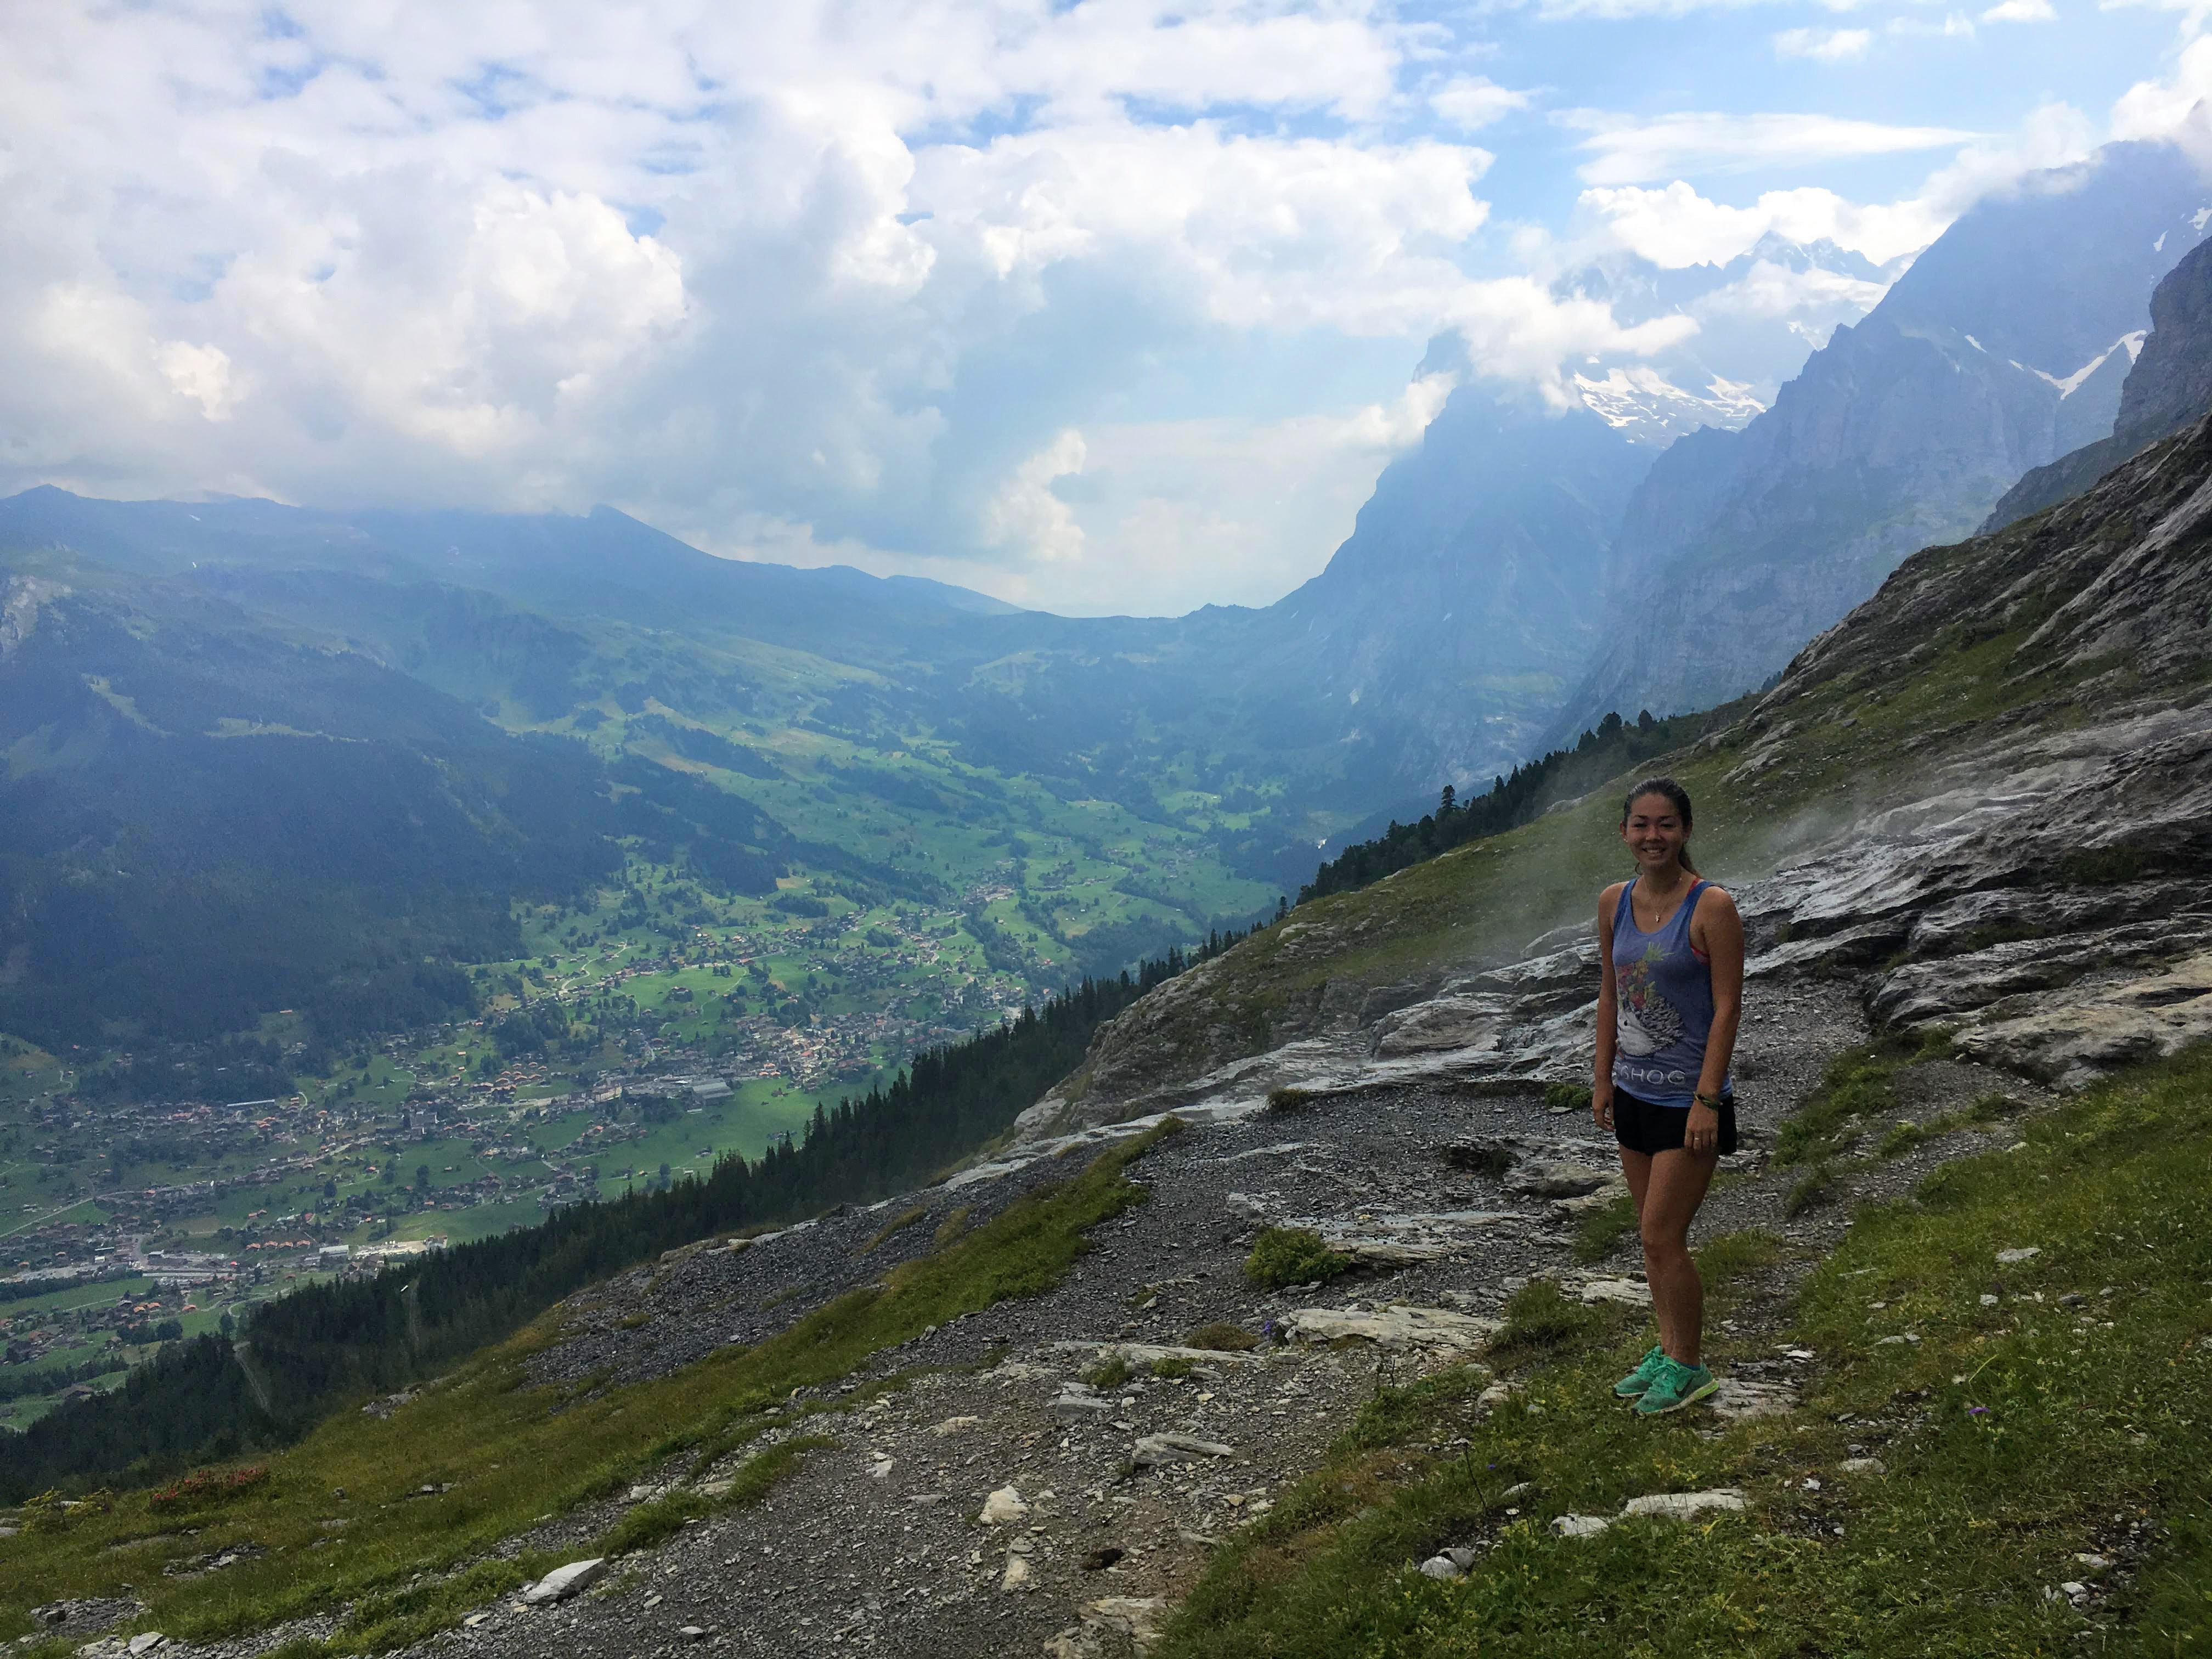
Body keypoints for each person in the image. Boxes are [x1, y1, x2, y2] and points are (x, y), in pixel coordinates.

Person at [1592, 777, 1744, 1415]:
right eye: (1641, 825)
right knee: (1649, 1237)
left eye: (1665, 825)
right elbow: (1611, 991)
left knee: (1662, 1235)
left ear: (1685, 831)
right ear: (1625, 833)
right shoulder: (1612, 902)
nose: (1653, 836)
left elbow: (1728, 1006)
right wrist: (1602, 1077)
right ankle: (1665, 1348)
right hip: (1633, 1092)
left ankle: (1689, 1366)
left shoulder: (1712, 906)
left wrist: (1708, 1099)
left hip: (1689, 1102)